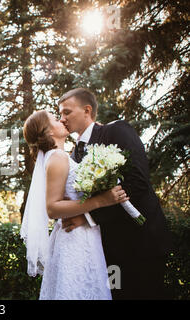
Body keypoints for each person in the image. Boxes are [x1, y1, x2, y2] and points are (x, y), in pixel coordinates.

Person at [58, 88, 172, 299]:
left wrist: (87, 216)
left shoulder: (116, 131)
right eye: (60, 114)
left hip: (140, 242)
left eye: (67, 112)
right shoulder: (72, 156)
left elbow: (137, 183)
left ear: (87, 110)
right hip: (106, 251)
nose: (62, 118)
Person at [21, 110, 129, 300]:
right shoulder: (57, 157)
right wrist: (100, 200)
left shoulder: (60, 157)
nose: (61, 119)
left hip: (81, 234)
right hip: (75, 239)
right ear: (47, 131)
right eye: (55, 119)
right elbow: (52, 208)